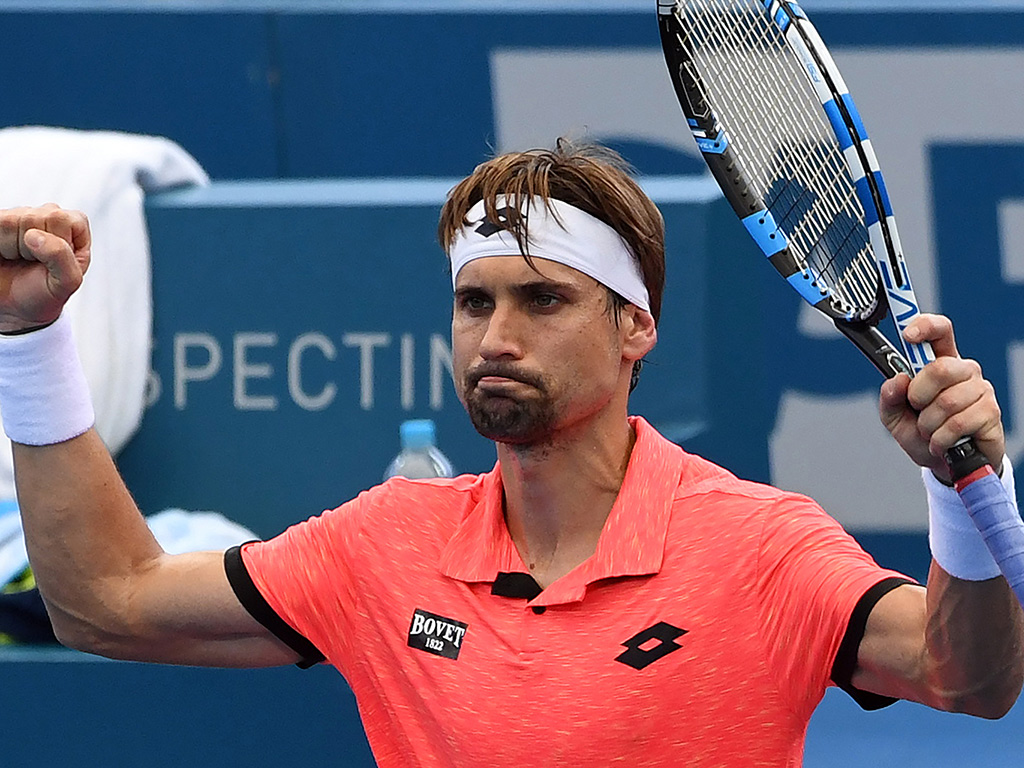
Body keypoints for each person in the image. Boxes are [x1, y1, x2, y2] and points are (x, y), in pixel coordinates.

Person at [0, 140, 1021, 766]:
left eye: (543, 299)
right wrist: (33, 342)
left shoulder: (762, 549)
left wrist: (952, 495)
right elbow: (105, 601)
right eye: (473, 300)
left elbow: (965, 677)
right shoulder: (384, 545)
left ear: (635, 329)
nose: (495, 336)